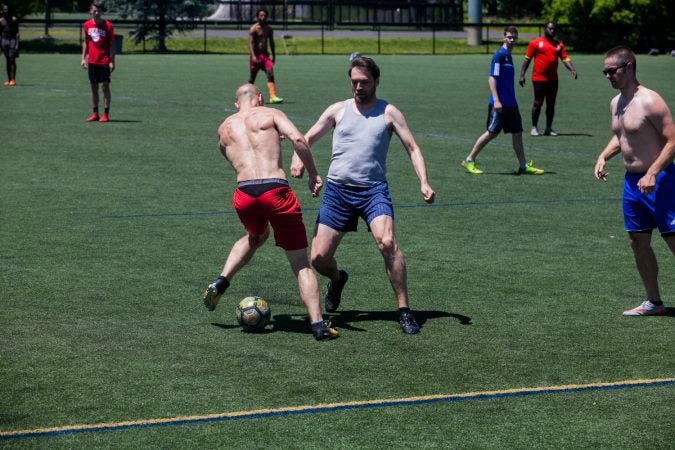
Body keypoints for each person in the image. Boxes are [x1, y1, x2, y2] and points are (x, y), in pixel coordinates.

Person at [291, 56, 436, 334]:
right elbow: (306, 138)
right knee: (319, 258)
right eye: (354, 81)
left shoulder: (389, 113)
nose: (358, 87)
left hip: (373, 191)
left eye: (364, 82)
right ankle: (337, 277)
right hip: (337, 192)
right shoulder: (338, 110)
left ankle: (404, 310)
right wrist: (299, 160)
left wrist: (424, 182)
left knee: (387, 243)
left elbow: (413, 148)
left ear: (376, 81)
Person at [202, 84, 339, 341]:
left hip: (244, 193)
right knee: (300, 263)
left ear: (236, 105)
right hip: (275, 190)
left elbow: (232, 156)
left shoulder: (224, 128)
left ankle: (221, 281)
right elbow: (299, 139)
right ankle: (319, 325)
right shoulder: (270, 114)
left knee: (256, 236)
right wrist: (312, 173)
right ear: (261, 99)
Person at [594, 46, 675, 317]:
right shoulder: (616, 103)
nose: (608, 76)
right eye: (604, 72)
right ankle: (654, 302)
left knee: (673, 241)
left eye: (612, 71)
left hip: (660, 180)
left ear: (629, 67)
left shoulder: (651, 101)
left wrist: (652, 172)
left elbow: (673, 140)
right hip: (632, 184)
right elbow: (622, 136)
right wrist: (604, 155)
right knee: (637, 241)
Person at [461, 26, 545, 175]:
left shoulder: (509, 56)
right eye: (509, 37)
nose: (512, 40)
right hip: (499, 103)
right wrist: (496, 100)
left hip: (511, 103)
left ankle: (523, 166)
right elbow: (492, 78)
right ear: (504, 37)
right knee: (492, 133)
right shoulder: (499, 55)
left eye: (514, 37)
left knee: (517, 132)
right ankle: (469, 160)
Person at [519, 22, 578, 136]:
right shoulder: (535, 43)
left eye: (554, 29)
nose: (553, 31)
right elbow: (527, 59)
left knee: (551, 104)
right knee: (538, 103)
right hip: (538, 79)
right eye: (550, 29)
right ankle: (534, 127)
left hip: (553, 80)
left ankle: (548, 128)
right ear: (545, 29)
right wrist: (522, 75)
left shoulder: (559, 44)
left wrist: (572, 69)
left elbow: (565, 59)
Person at [81, 1, 115, 123]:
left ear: (101, 12)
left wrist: (112, 61)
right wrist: (83, 58)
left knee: (105, 87)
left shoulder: (108, 26)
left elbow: (111, 45)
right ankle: (95, 113)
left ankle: (105, 114)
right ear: (91, 11)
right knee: (93, 88)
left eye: (99, 10)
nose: (96, 12)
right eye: (94, 10)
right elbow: (85, 42)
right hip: (92, 61)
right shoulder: (86, 25)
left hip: (104, 61)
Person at [248, 8, 283, 104]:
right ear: (257, 16)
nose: (262, 17)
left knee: (270, 72)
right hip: (256, 55)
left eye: (264, 15)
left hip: (265, 55)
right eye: (261, 15)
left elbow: (271, 43)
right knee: (252, 78)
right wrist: (253, 55)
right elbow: (250, 43)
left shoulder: (269, 29)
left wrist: (274, 56)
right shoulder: (254, 28)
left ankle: (272, 96)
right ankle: (246, 96)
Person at [0, 4, 19, 86]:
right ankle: (9, 79)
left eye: (7, 9)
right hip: (4, 41)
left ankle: (13, 79)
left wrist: (17, 44)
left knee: (12, 59)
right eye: (4, 9)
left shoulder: (14, 20)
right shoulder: (1, 20)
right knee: (7, 60)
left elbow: (17, 33)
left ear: (10, 10)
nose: (5, 11)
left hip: (12, 40)